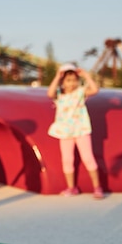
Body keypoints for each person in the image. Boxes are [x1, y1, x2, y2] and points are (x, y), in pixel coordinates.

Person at [47, 63, 103, 199]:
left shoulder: (80, 92)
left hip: (81, 129)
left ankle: (97, 187)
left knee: (88, 158)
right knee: (67, 160)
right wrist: (57, 77)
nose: (71, 84)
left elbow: (95, 90)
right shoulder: (59, 94)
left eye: (74, 80)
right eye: (68, 80)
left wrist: (86, 76)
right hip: (65, 132)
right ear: (63, 82)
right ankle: (71, 188)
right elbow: (49, 93)